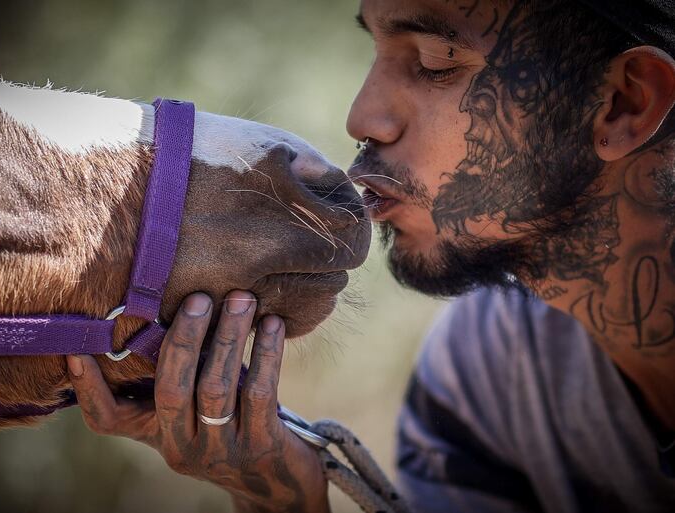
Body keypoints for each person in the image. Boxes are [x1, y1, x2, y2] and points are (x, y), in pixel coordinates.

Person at [64, 0, 675, 511]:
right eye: (377, 54)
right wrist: (280, 497)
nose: (363, 118)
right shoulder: (488, 374)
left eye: (437, 63)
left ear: (623, 103)